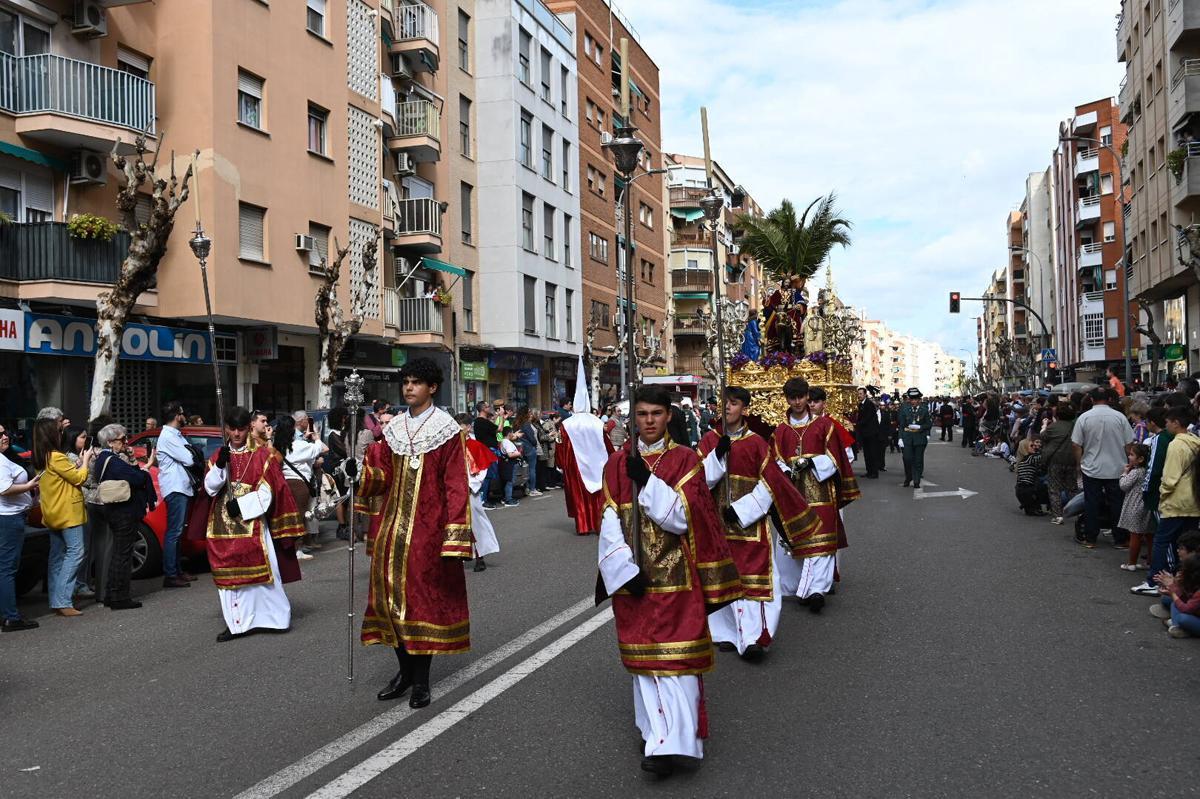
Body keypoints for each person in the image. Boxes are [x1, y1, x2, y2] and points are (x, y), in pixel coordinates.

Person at [596, 385, 742, 777]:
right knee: (646, 664)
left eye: (655, 414)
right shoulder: (615, 464)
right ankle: (655, 734)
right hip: (636, 580)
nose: (648, 421)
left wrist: (647, 482)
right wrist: (623, 570)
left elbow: (684, 518)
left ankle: (677, 742)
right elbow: (609, 519)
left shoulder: (684, 460)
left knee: (676, 662)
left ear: (668, 416)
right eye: (641, 414)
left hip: (677, 579)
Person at [354, 358, 473, 709]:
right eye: (405, 381)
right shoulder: (393, 429)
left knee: (419, 606)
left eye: (416, 382)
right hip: (391, 531)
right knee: (390, 604)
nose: (409, 388)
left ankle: (421, 681)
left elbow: (456, 485)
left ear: (432, 387)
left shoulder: (446, 429)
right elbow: (383, 477)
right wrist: (358, 472)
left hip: (428, 533)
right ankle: (404, 672)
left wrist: (454, 535)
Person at [698, 387, 818, 659]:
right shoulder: (709, 440)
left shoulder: (757, 444)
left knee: (752, 579)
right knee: (722, 577)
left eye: (733, 403)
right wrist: (717, 455)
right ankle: (727, 632)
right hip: (716, 525)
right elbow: (698, 480)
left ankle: (754, 637)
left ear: (745, 409)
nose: (726, 408)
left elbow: (771, 483)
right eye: (723, 403)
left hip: (748, 525)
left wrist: (742, 510)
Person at [204, 407, 304, 642]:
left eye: (241, 429)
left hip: (252, 524)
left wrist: (242, 506)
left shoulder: (261, 455)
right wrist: (220, 466)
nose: (237, 434)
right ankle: (236, 624)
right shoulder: (219, 455)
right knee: (230, 577)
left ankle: (275, 619)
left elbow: (269, 491)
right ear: (226, 429)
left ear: (248, 428)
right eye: (232, 429)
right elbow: (209, 488)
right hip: (222, 527)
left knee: (266, 573)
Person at [772, 377, 860, 612]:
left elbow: (836, 458)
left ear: (807, 398)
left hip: (821, 491)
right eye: (793, 398)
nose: (799, 402)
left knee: (822, 541)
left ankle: (817, 590)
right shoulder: (781, 431)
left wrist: (812, 463)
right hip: (794, 496)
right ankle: (797, 586)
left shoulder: (824, 426)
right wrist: (787, 470)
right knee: (798, 541)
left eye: (802, 397)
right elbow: (775, 460)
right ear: (787, 399)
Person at [1132, 407, 1200, 596]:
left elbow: (1169, 478)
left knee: (1163, 541)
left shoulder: (1176, 445)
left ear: (1177, 422)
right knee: (1190, 544)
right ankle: (1186, 582)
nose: (1167, 424)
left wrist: (1163, 493)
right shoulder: (1195, 441)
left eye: (1169, 421)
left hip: (1176, 501)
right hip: (1194, 500)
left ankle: (1155, 580)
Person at [32, 418, 93, 617]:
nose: (62, 434)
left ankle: (56, 599)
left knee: (57, 557)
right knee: (76, 553)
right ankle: (62, 600)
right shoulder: (56, 457)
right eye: (59, 430)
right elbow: (79, 478)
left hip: (52, 512)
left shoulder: (40, 456)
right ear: (51, 434)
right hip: (68, 512)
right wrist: (85, 461)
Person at [92, 424, 155, 610]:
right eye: (122, 439)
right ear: (110, 442)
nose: (126, 442)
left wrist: (131, 457)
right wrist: (144, 469)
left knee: (119, 553)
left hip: (115, 510)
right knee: (123, 555)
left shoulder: (105, 459)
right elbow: (137, 478)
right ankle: (119, 596)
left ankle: (112, 593)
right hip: (123, 511)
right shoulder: (112, 461)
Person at [1072, 387, 1134, 549]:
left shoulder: (1084, 418)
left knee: (1092, 503)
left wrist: (1079, 463)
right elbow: (1129, 444)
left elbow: (1076, 444)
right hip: (1117, 467)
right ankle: (1119, 538)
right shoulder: (1119, 417)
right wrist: (1129, 462)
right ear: (1109, 399)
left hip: (1091, 467)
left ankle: (1090, 538)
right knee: (1117, 503)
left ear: (1092, 400)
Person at [558, 365, 613, 536]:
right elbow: (606, 441)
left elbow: (562, 446)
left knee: (579, 495)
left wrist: (562, 465)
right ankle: (598, 524)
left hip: (575, 464)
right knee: (597, 494)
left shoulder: (567, 424)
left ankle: (583, 525)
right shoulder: (595, 421)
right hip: (597, 462)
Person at [273, 414, 328, 561]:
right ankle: (297, 548)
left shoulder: (277, 445)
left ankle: (291, 547)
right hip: (298, 485)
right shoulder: (297, 445)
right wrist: (316, 437)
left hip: (284, 483)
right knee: (299, 517)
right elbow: (320, 449)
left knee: (288, 517)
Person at [0, 428, 38, 631]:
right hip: (8, 518)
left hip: (10, 517)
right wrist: (30, 485)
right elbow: (4, 489)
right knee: (7, 569)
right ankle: (11, 617)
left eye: (5, 432)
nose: (5, 436)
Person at [156, 401, 197, 589]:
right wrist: (191, 454)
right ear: (176, 415)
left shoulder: (175, 435)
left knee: (178, 532)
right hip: (175, 487)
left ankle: (178, 571)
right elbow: (189, 459)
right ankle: (171, 574)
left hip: (182, 486)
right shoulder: (168, 436)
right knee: (174, 532)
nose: (184, 416)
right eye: (182, 413)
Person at [456, 412, 499, 572]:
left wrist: (472, 484)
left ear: (468, 427)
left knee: (476, 523)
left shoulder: (475, 446)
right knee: (454, 523)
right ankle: (456, 555)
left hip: (469, 490)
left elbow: (482, 469)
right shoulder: (451, 447)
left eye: (462, 427)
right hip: (453, 491)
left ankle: (480, 555)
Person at [1041, 404, 1078, 524]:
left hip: (1055, 459)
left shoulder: (1053, 427)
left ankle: (1057, 515)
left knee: (1054, 488)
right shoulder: (1076, 426)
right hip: (1072, 459)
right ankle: (1078, 512)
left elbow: (1043, 436)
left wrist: (1045, 425)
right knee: (1072, 488)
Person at [1118, 443, 1152, 572]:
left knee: (1135, 535)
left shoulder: (1136, 472)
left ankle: (1131, 563)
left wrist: (1124, 473)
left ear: (1140, 459)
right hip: (1146, 505)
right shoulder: (1148, 471)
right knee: (1150, 535)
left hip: (1135, 505)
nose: (1129, 456)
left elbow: (1124, 485)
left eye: (1132, 454)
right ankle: (1150, 561)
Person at [1155, 553, 1200, 638]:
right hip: (1194, 612)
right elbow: (1186, 597)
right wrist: (1174, 584)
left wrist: (1172, 592)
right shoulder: (1195, 582)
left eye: (1184, 570)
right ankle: (1175, 622)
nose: (1181, 572)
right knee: (1169, 600)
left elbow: (1186, 609)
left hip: (1193, 614)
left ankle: (1177, 625)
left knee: (1182, 618)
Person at [898, 388, 932, 488]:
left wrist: (921, 427)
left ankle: (916, 480)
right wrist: (900, 438)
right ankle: (908, 477)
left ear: (919, 400)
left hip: (919, 438)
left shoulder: (924, 410)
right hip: (907, 437)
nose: (913, 401)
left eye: (915, 399)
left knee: (918, 460)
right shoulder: (905, 409)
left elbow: (929, 424)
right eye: (911, 399)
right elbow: (901, 425)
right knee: (907, 459)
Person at [473, 401, 501, 509]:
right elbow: (499, 429)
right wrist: (502, 417)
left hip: (485, 450)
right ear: (483, 409)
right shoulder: (481, 421)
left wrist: (498, 415)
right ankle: (483, 500)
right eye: (487, 406)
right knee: (487, 476)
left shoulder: (482, 421)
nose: (489, 407)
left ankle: (484, 498)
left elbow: (491, 423)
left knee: (488, 475)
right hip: (487, 450)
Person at [1014, 435, 1049, 516]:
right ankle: (1032, 506)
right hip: (1026, 491)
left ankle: (1030, 506)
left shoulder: (1023, 460)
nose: (1035, 447)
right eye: (1031, 446)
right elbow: (1043, 457)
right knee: (1044, 487)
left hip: (1021, 490)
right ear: (1025, 447)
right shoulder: (1030, 459)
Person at [856, 388, 882, 479]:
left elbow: (867, 418)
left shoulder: (869, 404)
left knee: (872, 453)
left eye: (860, 394)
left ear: (865, 394)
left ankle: (874, 472)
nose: (859, 395)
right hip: (865, 433)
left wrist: (856, 424)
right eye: (858, 394)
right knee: (866, 453)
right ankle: (869, 471)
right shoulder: (860, 404)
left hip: (871, 433)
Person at [516, 407, 543, 497]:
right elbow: (532, 438)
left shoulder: (516, 423)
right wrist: (535, 444)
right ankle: (532, 489)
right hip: (529, 448)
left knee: (525, 469)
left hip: (521, 448)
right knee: (532, 470)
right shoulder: (526, 424)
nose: (530, 413)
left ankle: (526, 488)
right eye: (529, 412)